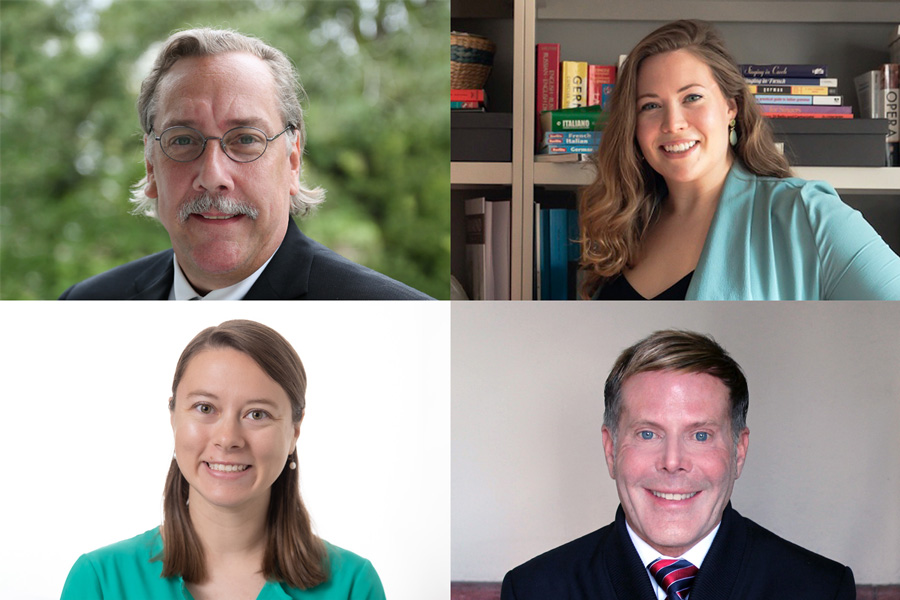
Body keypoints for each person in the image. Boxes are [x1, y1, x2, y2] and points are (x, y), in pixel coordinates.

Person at [58, 28, 430, 300]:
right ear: (151, 166)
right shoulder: (82, 306)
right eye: (184, 140)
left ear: (293, 160)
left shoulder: (397, 315)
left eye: (246, 139)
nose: (213, 176)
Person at [501, 329, 855, 599]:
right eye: (647, 434)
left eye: (700, 435)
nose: (672, 463)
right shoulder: (532, 589)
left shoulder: (820, 589)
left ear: (738, 451)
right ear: (611, 451)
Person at [60, 319, 386, 600]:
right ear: (173, 416)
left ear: (295, 432)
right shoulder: (100, 580)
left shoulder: (352, 585)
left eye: (257, 414)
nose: (228, 438)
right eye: (205, 408)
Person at [580, 20, 900, 300]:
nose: (673, 123)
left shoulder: (806, 213)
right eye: (650, 105)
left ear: (730, 107)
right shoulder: (623, 224)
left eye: (692, 97)